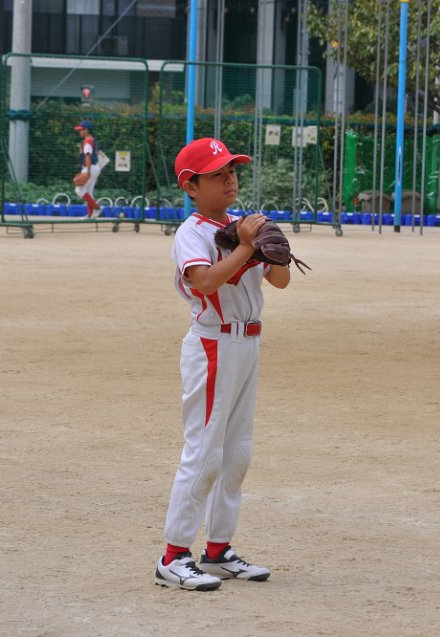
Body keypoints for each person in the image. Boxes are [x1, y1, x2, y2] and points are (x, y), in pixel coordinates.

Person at [155, 138, 291, 591]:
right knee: (205, 453)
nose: (230, 178)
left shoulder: (241, 227)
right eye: (217, 174)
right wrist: (247, 247)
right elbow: (206, 282)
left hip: (248, 343)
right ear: (191, 186)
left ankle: (217, 551)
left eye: (232, 170)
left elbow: (281, 281)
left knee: (237, 452)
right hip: (213, 344)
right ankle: (173, 556)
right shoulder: (191, 233)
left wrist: (273, 249)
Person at [72, 120, 108, 218]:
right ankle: (90, 215)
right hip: (95, 167)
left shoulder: (87, 141)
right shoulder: (93, 140)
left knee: (79, 191)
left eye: (81, 130)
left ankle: (97, 208)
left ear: (86, 130)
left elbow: (87, 156)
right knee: (88, 192)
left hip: (90, 167)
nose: (80, 132)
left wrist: (87, 172)